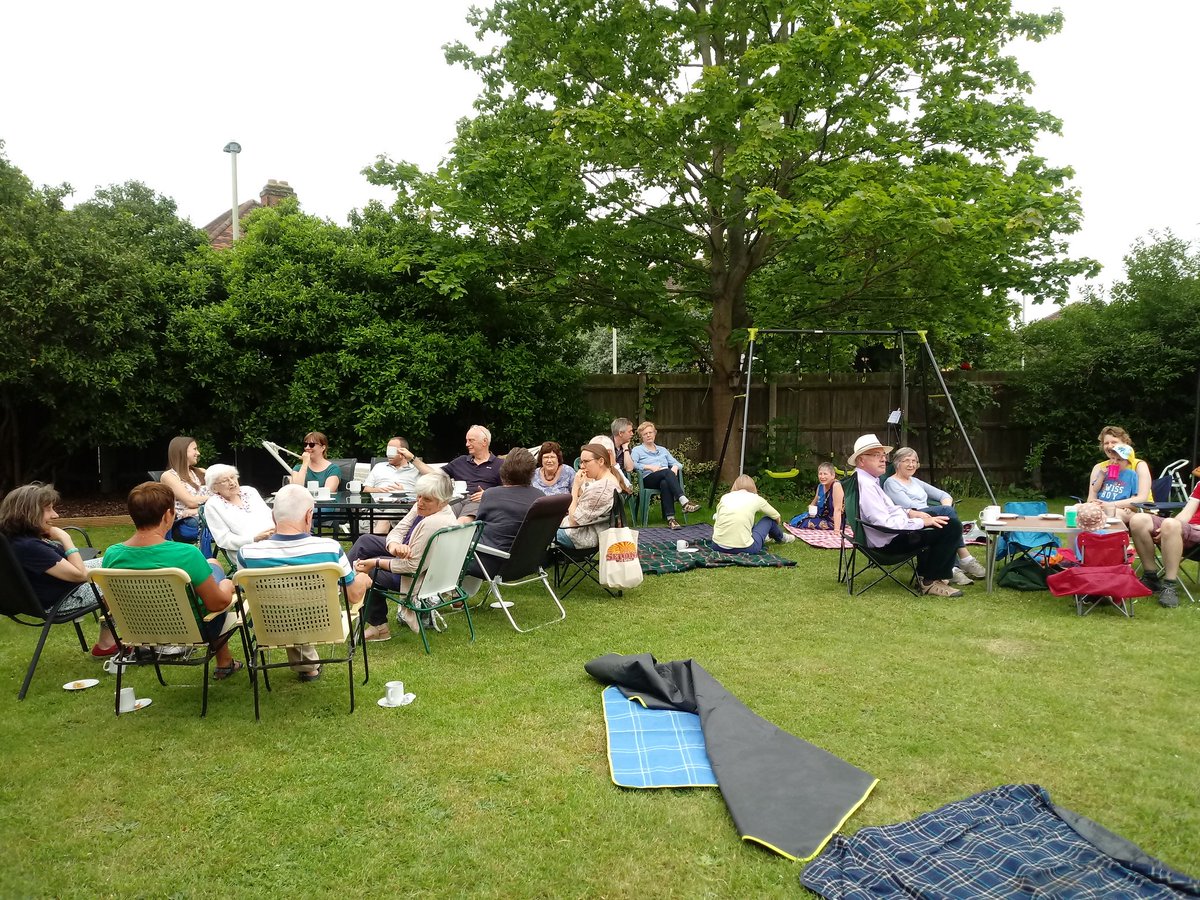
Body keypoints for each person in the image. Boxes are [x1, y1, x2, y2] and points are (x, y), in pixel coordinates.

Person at [101, 482, 242, 678]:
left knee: (210, 564)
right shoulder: (186, 554)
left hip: (139, 630)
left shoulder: (112, 554)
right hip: (193, 630)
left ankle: (225, 662)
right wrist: (227, 586)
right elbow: (218, 603)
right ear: (168, 515)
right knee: (215, 570)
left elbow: (111, 603)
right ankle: (224, 662)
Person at [236, 484, 371, 681]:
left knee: (285, 602)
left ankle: (306, 665)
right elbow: (354, 596)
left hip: (270, 626)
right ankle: (308, 665)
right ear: (309, 515)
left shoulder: (247, 554)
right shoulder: (329, 549)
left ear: (274, 517)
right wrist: (363, 578)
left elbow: (242, 590)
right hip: (322, 624)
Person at [0, 482, 116, 656]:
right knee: (121, 579)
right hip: (63, 598)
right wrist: (65, 537)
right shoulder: (30, 547)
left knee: (114, 561)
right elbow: (80, 575)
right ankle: (108, 643)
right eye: (48, 509)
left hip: (54, 588)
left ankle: (106, 644)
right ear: (29, 512)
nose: (55, 515)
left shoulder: (14, 539)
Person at [849, 434, 964, 598]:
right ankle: (929, 582)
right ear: (861, 460)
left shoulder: (867, 480)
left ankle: (933, 574)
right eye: (877, 456)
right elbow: (884, 523)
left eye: (883, 456)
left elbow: (889, 509)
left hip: (890, 533)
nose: (883, 460)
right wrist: (921, 522)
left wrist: (910, 513)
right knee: (950, 527)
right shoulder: (866, 485)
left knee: (942, 520)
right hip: (888, 541)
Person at [348, 472, 459, 641]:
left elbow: (412, 567)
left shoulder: (433, 523)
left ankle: (378, 627)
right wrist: (394, 547)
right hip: (408, 555)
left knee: (365, 571)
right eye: (419, 496)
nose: (420, 502)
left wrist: (375, 563)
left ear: (442, 501)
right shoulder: (428, 507)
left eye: (426, 499)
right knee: (365, 541)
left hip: (417, 579)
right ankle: (344, 583)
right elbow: (399, 529)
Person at [884, 447, 986, 585]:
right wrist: (945, 512)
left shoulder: (916, 481)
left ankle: (953, 568)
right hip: (912, 519)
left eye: (914, 461)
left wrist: (946, 510)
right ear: (897, 463)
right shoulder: (891, 483)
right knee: (947, 516)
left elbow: (944, 495)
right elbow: (909, 506)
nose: (911, 464)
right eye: (906, 461)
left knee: (947, 518)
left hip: (930, 517)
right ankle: (965, 558)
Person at [1128, 481, 1200, 608]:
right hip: (1190, 528)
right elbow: (1187, 513)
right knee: (1139, 520)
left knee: (1170, 525)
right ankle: (1151, 578)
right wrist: (1168, 527)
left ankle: (1169, 586)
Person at [412, 425, 502, 521]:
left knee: (462, 521)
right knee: (436, 517)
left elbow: (509, 490)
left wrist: (489, 495)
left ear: (484, 442)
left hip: (478, 501)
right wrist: (412, 458)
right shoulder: (461, 461)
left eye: (471, 440)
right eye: (466, 440)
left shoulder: (500, 464)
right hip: (456, 499)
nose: (467, 444)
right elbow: (435, 475)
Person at [473, 448, 543, 555]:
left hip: (489, 559)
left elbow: (478, 526)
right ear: (532, 472)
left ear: (504, 470)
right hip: (527, 559)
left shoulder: (491, 494)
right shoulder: (540, 496)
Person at [631, 421, 699, 529]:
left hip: (664, 477)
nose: (648, 435)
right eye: (645, 434)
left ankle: (671, 519)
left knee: (665, 483)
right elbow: (632, 464)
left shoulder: (662, 450)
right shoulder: (637, 450)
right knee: (667, 472)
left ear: (655, 433)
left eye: (650, 432)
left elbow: (678, 463)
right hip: (649, 479)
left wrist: (676, 467)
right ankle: (684, 501)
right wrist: (649, 467)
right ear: (641, 437)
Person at [556, 443, 622, 549]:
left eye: (586, 461)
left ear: (601, 461)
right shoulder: (608, 481)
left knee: (535, 533)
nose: (582, 466)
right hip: (581, 531)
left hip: (577, 536)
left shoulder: (601, 489)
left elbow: (574, 522)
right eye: (581, 462)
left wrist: (575, 487)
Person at [712, 475, 795, 554]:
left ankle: (762, 536)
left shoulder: (725, 497)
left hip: (717, 546)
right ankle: (782, 538)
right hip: (745, 548)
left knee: (745, 521)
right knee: (768, 519)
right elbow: (777, 517)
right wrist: (771, 528)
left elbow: (717, 516)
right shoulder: (756, 498)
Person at [203, 464, 274, 553]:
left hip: (273, 541)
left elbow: (269, 515)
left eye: (233, 477)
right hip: (245, 550)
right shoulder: (213, 505)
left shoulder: (250, 491)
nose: (232, 482)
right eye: (225, 481)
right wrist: (254, 539)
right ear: (214, 488)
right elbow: (223, 539)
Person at [1086, 426, 1150, 515]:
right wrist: (1094, 505)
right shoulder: (1099, 468)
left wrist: (1109, 505)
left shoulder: (1139, 465)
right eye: (1106, 443)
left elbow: (1141, 498)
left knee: (1113, 513)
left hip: (1138, 512)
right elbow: (1091, 497)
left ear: (1125, 443)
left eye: (1114, 442)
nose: (1109, 446)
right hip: (1101, 507)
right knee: (1076, 508)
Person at [363, 436, 421, 533]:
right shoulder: (379, 467)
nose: (388, 454)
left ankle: (373, 542)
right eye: (388, 450)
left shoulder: (416, 470)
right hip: (376, 507)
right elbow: (365, 489)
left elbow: (433, 481)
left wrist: (403, 493)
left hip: (401, 509)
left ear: (403, 452)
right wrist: (379, 490)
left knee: (386, 516)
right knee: (378, 517)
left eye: (392, 450)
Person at [160, 435, 208, 543]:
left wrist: (196, 510)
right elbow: (190, 501)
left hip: (204, 515)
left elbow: (226, 493)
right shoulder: (169, 476)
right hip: (185, 523)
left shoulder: (201, 472)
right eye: (195, 449)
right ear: (182, 451)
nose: (198, 453)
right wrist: (212, 501)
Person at [792, 462, 844, 533]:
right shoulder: (820, 486)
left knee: (803, 522)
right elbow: (815, 501)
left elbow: (838, 509)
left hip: (834, 521)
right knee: (796, 519)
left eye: (825, 474)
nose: (822, 477)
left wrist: (836, 530)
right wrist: (811, 508)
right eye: (820, 474)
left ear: (833, 475)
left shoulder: (836, 486)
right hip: (821, 516)